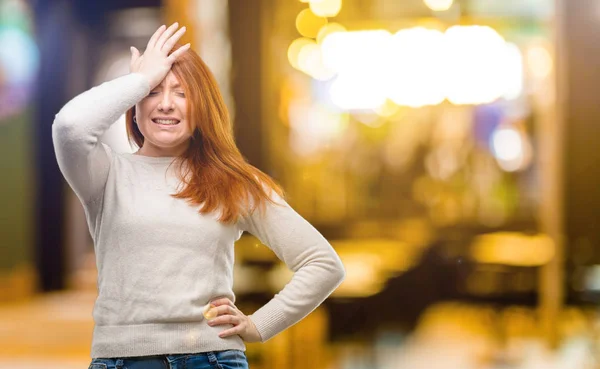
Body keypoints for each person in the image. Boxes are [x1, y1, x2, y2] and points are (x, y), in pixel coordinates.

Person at [52, 23, 346, 369]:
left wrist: (259, 325)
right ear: (134, 105)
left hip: (212, 358)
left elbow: (323, 264)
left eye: (181, 93)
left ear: (202, 105)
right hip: (121, 359)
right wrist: (139, 80)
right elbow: (70, 127)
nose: (165, 105)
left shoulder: (234, 181)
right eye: (153, 93)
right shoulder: (105, 173)